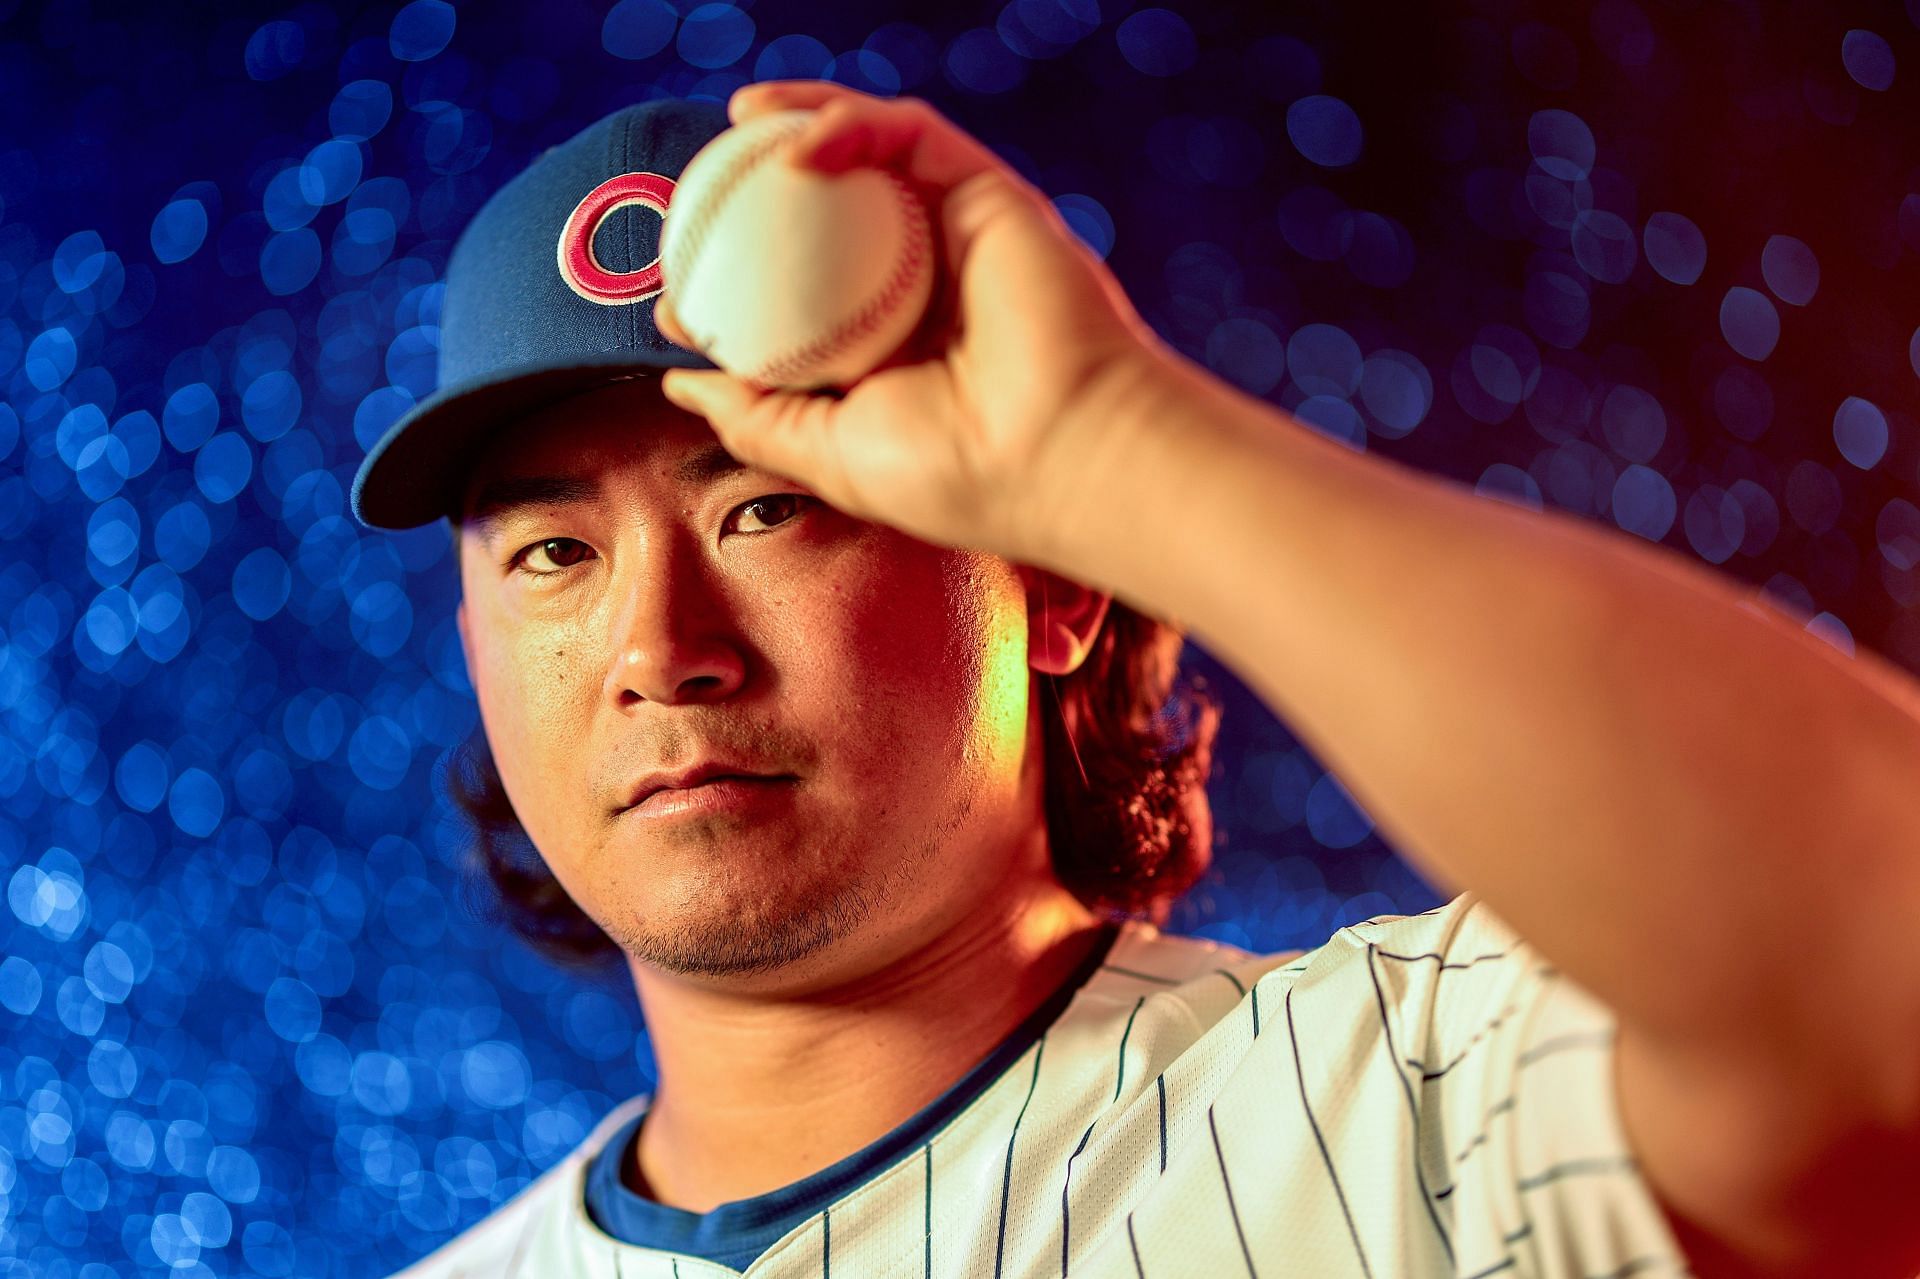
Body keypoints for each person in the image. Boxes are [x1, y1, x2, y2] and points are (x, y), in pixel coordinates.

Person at [351, 81, 1920, 1279]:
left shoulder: (1409, 1102)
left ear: (1052, 587)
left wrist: (1116, 449)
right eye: (552, 555)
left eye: (771, 505)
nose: (657, 647)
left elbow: (1879, 951)